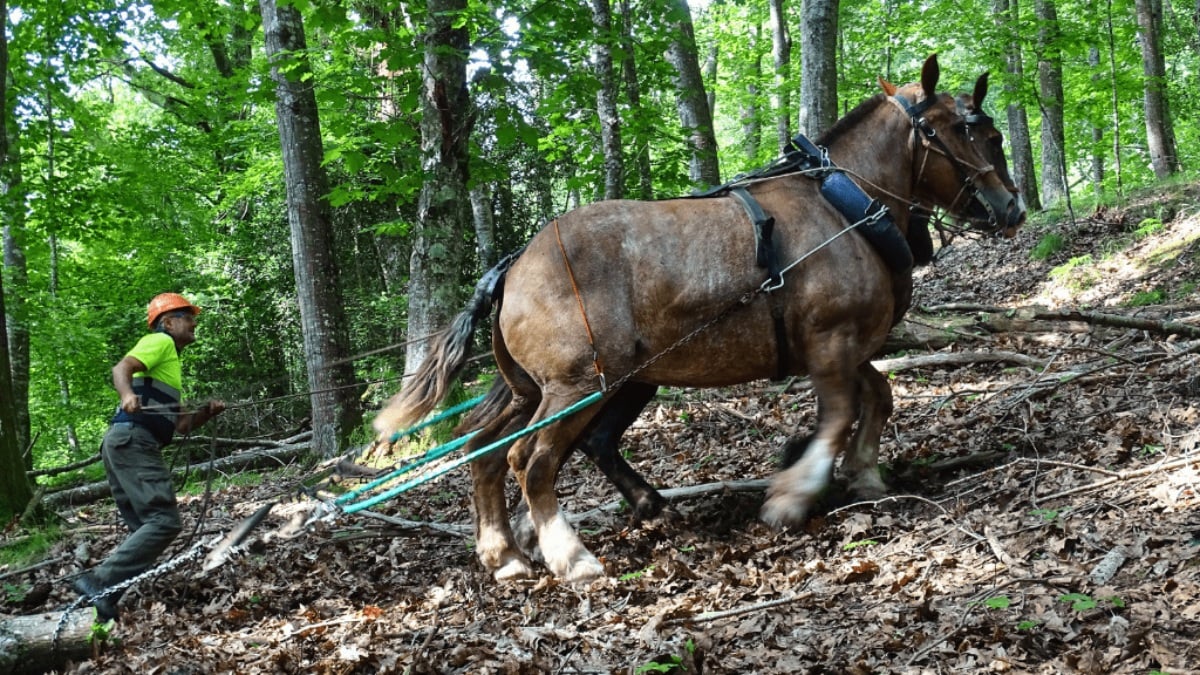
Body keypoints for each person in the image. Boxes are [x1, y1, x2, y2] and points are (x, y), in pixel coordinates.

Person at [73, 292, 225, 622]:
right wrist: (126, 395)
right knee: (163, 521)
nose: (194, 322)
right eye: (187, 316)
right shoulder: (160, 342)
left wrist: (206, 413)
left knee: (145, 527)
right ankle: (97, 581)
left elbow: (183, 425)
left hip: (122, 443)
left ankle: (105, 596)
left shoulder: (168, 369)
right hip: (132, 439)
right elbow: (121, 368)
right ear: (168, 323)